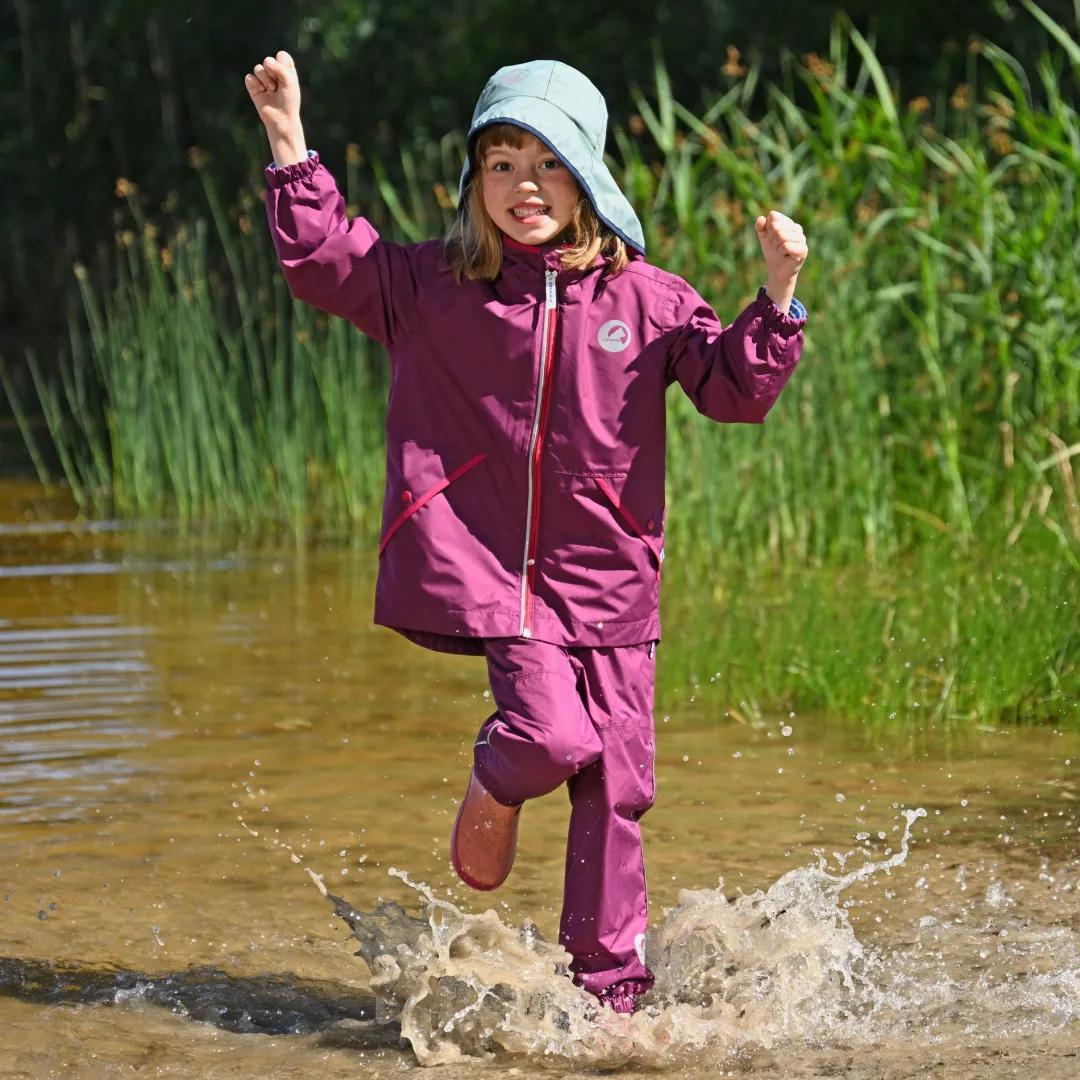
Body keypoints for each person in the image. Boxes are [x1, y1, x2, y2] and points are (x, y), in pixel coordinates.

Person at [246, 52, 808, 1015]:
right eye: (499, 164)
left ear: (587, 172)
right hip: (494, 573)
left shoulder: (651, 299)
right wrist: (291, 144)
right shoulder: (433, 287)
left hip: (613, 574)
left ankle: (609, 995)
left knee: (618, 787)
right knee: (550, 736)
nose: (522, 187)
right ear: (475, 184)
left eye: (546, 163)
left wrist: (780, 292)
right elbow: (327, 260)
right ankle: (495, 784)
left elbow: (732, 391)